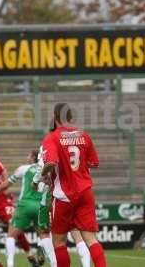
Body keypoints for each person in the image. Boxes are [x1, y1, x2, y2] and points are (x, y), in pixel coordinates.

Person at [36, 102, 107, 267]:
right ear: (70, 117)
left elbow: (52, 162)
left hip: (64, 195)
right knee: (90, 238)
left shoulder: (52, 137)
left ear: (54, 117)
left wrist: (43, 174)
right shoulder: (84, 135)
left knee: (59, 240)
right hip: (85, 192)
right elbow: (94, 163)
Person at [0, 150, 48, 267]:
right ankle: (43, 249)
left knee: (11, 235)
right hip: (41, 205)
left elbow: (9, 182)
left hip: (25, 204)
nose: (27, 157)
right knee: (44, 235)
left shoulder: (23, 169)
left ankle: (10, 264)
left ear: (33, 157)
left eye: (29, 155)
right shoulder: (47, 169)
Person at [34, 148, 91, 267]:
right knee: (76, 233)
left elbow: (41, 171)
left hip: (53, 196)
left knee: (45, 232)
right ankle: (86, 265)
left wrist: (36, 181)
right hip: (74, 195)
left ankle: (55, 264)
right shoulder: (75, 148)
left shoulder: (48, 147)